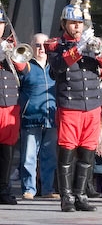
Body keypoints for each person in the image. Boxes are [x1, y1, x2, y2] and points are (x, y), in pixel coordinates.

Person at [45, 0, 102, 212]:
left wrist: (98, 53)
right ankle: (66, 196)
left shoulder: (91, 44)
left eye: (80, 23)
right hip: (70, 105)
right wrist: (78, 48)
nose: (77, 27)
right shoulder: (57, 45)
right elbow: (56, 66)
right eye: (73, 23)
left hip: (92, 106)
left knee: (87, 153)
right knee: (67, 152)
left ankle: (81, 194)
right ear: (64, 24)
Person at [19, 33, 58, 200]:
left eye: (44, 45)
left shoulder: (55, 66)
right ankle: (29, 189)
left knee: (49, 157)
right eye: (37, 45)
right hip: (30, 117)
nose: (41, 48)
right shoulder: (26, 66)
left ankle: (48, 189)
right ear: (31, 46)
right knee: (28, 156)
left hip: (51, 117)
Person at [0, 2, 31, 205]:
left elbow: (25, 69)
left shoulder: (10, 44)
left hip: (10, 103)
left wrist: (11, 54)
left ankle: (4, 189)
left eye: (1, 23)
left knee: (7, 151)